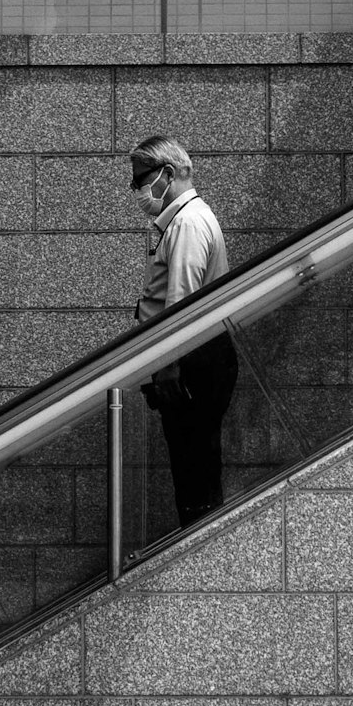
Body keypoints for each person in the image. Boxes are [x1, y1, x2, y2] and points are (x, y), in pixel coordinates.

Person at [128, 136, 235, 526]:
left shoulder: (187, 223)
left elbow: (181, 303)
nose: (138, 189)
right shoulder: (187, 219)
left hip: (192, 360)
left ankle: (201, 545)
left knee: (193, 470)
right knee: (197, 465)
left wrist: (169, 366)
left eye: (141, 179)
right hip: (198, 356)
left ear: (167, 174)